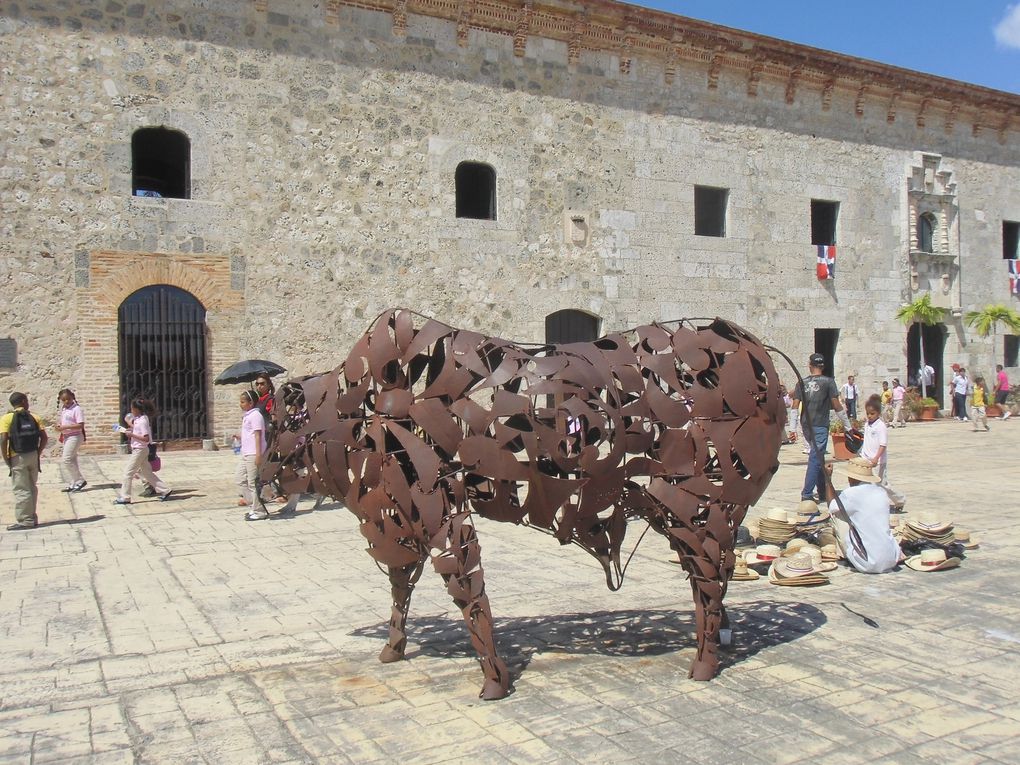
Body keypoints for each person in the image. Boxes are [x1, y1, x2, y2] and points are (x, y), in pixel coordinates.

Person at [791, 352, 852, 502]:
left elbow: (794, 406)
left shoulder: (801, 383)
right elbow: (836, 404)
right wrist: (847, 426)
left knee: (818, 457)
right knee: (815, 458)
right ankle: (806, 493)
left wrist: (792, 429)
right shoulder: (829, 382)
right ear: (822, 366)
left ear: (810, 365)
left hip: (806, 425)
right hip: (820, 424)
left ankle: (822, 490)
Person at [823, 459, 902, 574]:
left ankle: (847, 554)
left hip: (869, 563)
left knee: (838, 515)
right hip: (891, 558)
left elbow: (832, 505)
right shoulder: (881, 492)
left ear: (851, 477)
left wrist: (827, 479)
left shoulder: (851, 493)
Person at [1, 392, 48, 530]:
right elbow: (44, 438)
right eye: (26, 401)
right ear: (22, 401)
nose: (28, 403)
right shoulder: (34, 416)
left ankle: (25, 520)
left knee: (21, 489)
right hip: (33, 454)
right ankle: (32, 517)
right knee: (32, 486)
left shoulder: (6, 418)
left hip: (17, 456)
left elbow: (3, 439)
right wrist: (38, 453)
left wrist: (6, 458)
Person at [114, 397, 171, 504]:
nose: (131, 411)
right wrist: (129, 431)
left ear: (137, 409)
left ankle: (125, 497)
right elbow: (139, 432)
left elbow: (145, 438)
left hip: (140, 450)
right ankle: (165, 490)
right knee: (147, 473)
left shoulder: (142, 421)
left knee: (128, 472)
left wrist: (132, 435)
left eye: (132, 409)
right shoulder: (140, 419)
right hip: (141, 449)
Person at [860, 394, 905, 510]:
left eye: (872, 413)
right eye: (868, 413)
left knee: (882, 484)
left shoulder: (880, 426)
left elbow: (883, 444)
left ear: (878, 413)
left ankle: (899, 500)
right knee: (865, 483)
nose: (869, 416)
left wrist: (876, 458)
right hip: (866, 458)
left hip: (878, 461)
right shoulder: (867, 425)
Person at [237, 390, 269, 520]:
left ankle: (259, 511)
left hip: (253, 453)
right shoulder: (248, 416)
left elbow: (258, 435)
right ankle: (254, 505)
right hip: (245, 453)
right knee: (239, 478)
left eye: (243, 402)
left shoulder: (256, 415)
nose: (241, 404)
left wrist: (258, 455)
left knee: (253, 483)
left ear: (251, 403)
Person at [54, 388, 87, 492]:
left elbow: (80, 425)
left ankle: (80, 480)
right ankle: (74, 482)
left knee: (67, 459)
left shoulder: (76, 409)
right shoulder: (64, 409)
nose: (66, 401)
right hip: (67, 437)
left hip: (75, 436)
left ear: (72, 397)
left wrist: (65, 427)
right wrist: (60, 426)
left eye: (68, 399)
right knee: (72, 459)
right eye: (64, 400)